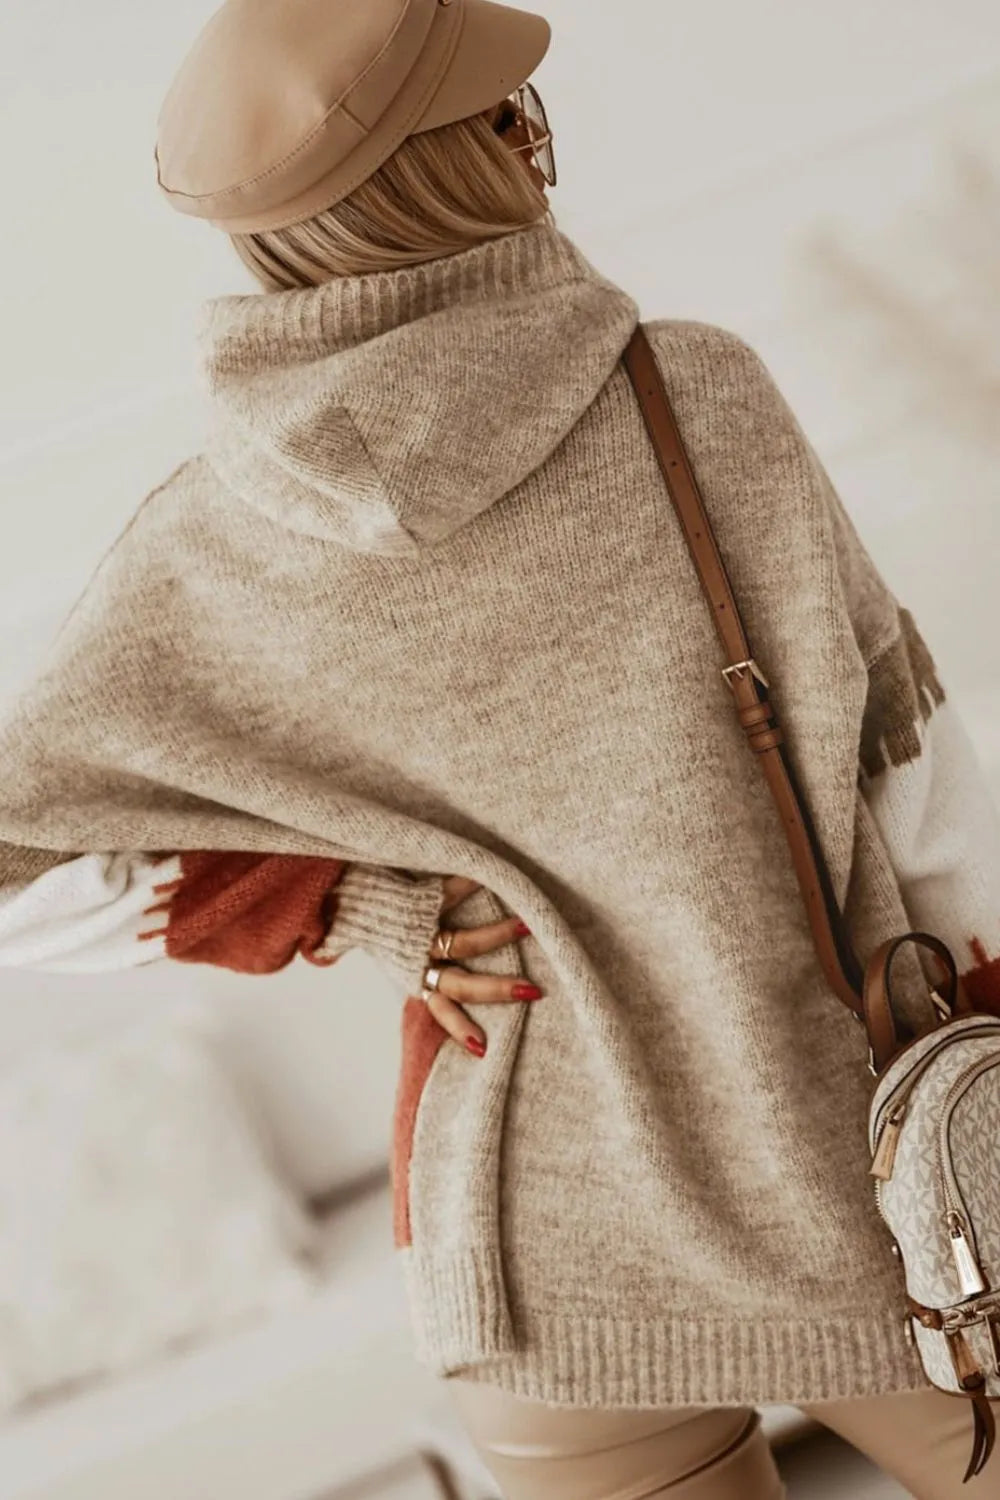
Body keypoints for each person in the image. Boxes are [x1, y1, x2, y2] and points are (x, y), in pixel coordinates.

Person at [4, 1, 1000, 1494]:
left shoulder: (206, 549)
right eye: (506, 115)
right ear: (462, 164)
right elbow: (906, 761)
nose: (534, 141)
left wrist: (361, 910)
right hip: (853, 1190)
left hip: (528, 1271)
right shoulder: (691, 392)